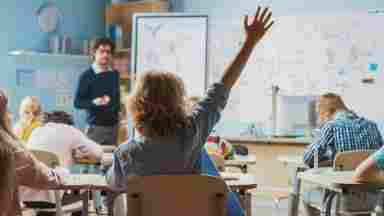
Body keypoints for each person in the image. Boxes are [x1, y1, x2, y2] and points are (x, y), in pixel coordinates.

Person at [107, 6, 274, 216]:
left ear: (136, 105)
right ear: (178, 103)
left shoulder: (125, 153)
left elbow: (112, 184)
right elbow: (221, 89)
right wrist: (250, 42)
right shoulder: (192, 133)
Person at [302, 93, 383, 216]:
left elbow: (308, 158)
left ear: (328, 111)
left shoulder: (332, 127)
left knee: (306, 194)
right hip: (375, 199)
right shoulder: (372, 126)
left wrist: (330, 160)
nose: (321, 120)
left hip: (341, 200)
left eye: (321, 115)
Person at [0, 90, 60, 215]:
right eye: (26, 112)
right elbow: (45, 177)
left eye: (33, 112)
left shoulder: (23, 132)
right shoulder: (10, 146)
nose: (30, 116)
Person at [74, 38, 120, 146]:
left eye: (108, 52)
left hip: (114, 127)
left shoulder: (114, 74)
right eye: (102, 51)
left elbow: (116, 98)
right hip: (95, 128)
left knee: (110, 161)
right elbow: (77, 103)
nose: (105, 55)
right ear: (94, 53)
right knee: (92, 161)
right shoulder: (86, 76)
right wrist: (94, 102)